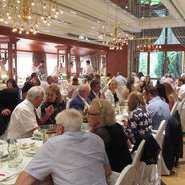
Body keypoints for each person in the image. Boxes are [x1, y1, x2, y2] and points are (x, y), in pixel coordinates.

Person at [15, 109, 111, 185]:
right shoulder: (96, 139)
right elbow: (107, 171)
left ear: (60, 128)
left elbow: (24, 180)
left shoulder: (53, 144)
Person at [88, 99, 132, 172]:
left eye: (89, 113)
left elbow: (89, 160)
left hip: (115, 175)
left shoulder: (100, 134)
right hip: (127, 171)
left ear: (100, 116)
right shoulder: (117, 125)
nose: (87, 116)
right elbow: (129, 145)